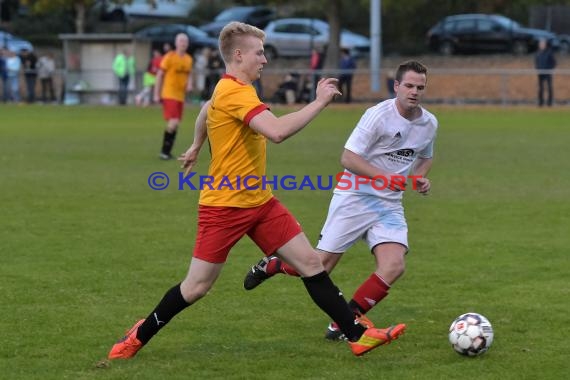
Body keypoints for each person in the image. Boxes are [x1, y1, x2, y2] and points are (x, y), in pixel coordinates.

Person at [107, 22, 406, 361]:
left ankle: (357, 336)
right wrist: (319, 101)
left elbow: (207, 108)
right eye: (259, 53)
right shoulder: (235, 91)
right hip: (224, 207)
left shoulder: (232, 88)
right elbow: (276, 132)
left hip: (260, 202)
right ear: (238, 55)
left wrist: (196, 143)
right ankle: (138, 335)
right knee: (197, 287)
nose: (264, 60)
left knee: (310, 263)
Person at [243, 60, 438, 341]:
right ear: (396, 86)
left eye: (420, 87)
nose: (414, 91)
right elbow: (347, 158)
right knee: (319, 266)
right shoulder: (377, 116)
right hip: (355, 197)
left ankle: (346, 320)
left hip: (389, 204)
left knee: (394, 266)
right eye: (408, 85)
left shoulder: (429, 123)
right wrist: (382, 177)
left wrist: (420, 177)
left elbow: (425, 155)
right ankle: (273, 264)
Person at [154, 33, 193, 160]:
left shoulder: (188, 59)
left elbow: (189, 74)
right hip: (169, 93)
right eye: (181, 41)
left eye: (185, 41)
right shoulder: (169, 57)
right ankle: (164, 152)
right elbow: (160, 75)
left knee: (175, 124)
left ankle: (166, 152)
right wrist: (156, 93)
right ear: (176, 43)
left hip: (180, 96)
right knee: (174, 121)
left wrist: (190, 84)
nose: (183, 43)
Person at [535, 38, 556, 107]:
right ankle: (541, 103)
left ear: (545, 45)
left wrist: (549, 69)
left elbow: (553, 63)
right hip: (540, 73)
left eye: (542, 44)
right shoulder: (538, 53)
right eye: (540, 44)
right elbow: (536, 62)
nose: (541, 45)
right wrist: (538, 68)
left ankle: (549, 103)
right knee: (540, 88)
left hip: (547, 73)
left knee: (549, 88)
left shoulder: (549, 53)